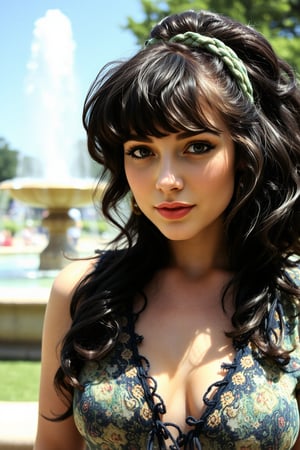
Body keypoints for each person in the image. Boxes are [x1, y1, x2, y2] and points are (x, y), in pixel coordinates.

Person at [33, 8, 300, 450]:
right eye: (142, 151)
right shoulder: (80, 294)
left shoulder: (290, 301)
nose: (166, 180)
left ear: (246, 152)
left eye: (196, 146)